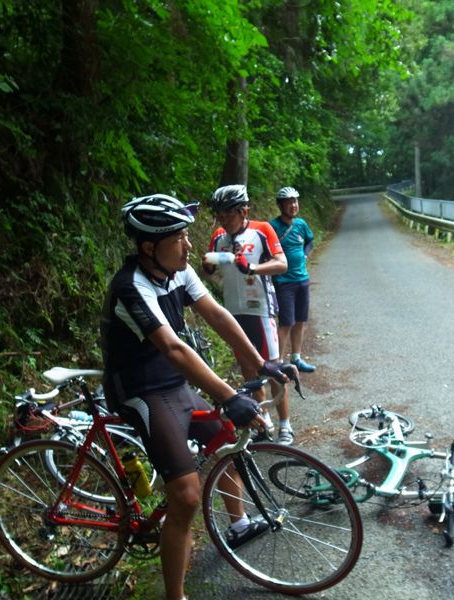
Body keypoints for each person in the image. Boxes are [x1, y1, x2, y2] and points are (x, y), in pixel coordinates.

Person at [99, 193, 294, 600]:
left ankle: (238, 524)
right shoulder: (130, 287)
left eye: (188, 236)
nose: (191, 245)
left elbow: (217, 314)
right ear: (150, 247)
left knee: (226, 439)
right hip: (140, 392)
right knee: (186, 497)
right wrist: (227, 395)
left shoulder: (177, 270)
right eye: (180, 239)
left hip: (173, 383)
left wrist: (260, 364)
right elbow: (173, 348)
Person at [202, 184, 295, 445]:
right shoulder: (219, 235)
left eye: (228, 215)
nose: (223, 220)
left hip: (261, 311)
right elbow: (208, 269)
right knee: (249, 372)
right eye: (219, 215)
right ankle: (262, 423)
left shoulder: (261, 230)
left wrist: (252, 268)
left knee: (273, 368)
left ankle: (285, 425)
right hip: (233, 312)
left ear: (244, 211)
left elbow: (281, 263)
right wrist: (207, 266)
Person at [269, 186, 316, 373]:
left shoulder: (301, 224)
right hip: (283, 282)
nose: (293, 205)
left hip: (302, 279)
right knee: (286, 322)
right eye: (289, 203)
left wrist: (305, 255)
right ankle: (278, 362)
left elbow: (309, 241)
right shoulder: (272, 227)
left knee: (300, 320)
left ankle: (296, 357)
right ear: (280, 205)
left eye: (295, 202)